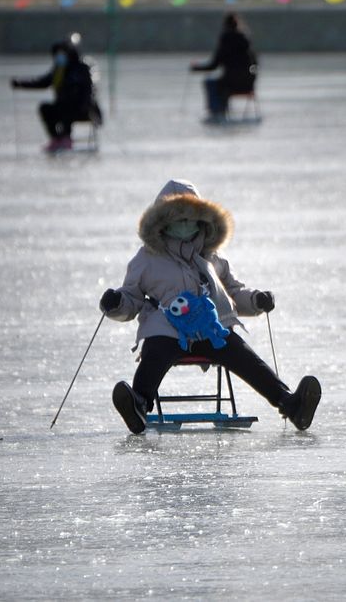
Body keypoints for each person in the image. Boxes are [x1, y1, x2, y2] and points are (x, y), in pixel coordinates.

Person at [99, 179, 321, 434]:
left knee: (245, 357)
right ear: (162, 222)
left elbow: (234, 293)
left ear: (201, 220)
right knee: (154, 354)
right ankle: (138, 404)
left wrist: (257, 299)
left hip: (212, 328)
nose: (184, 225)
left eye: (189, 218)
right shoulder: (146, 258)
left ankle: (291, 404)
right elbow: (132, 298)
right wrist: (116, 303)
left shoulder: (213, 257)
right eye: (176, 219)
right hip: (167, 327)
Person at [10, 37, 102, 153]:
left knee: (67, 104)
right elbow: (42, 82)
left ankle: (66, 138)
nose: (59, 57)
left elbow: (88, 91)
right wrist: (19, 84)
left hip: (83, 110)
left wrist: (82, 103)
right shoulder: (59, 70)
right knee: (45, 108)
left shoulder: (81, 69)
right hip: (64, 108)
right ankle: (57, 138)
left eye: (62, 54)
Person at [191, 12, 258, 123]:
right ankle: (220, 111)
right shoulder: (247, 43)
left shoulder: (226, 41)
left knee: (211, 83)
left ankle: (217, 113)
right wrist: (251, 79)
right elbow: (255, 66)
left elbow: (213, 66)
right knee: (220, 83)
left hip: (229, 84)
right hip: (247, 84)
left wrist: (196, 68)